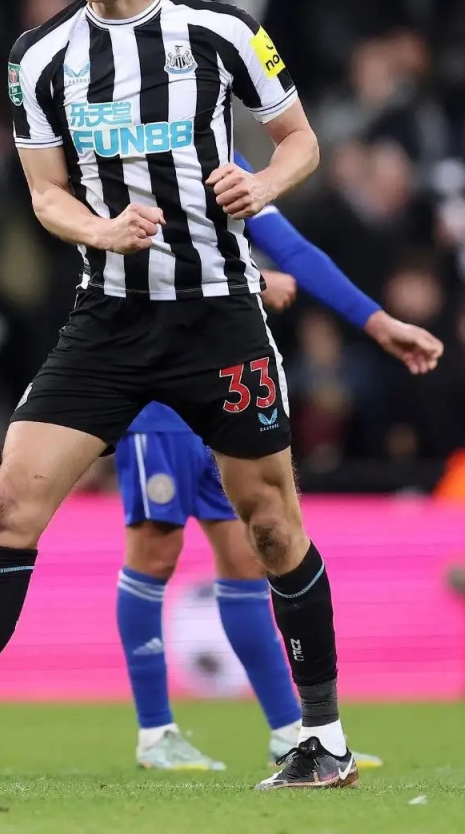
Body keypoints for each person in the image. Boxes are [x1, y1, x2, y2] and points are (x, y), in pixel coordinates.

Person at [0, 0, 443, 791]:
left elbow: (302, 142)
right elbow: (45, 194)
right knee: (9, 504)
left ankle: (320, 737)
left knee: (272, 526)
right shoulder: (37, 56)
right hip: (109, 319)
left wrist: (264, 185)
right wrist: (102, 229)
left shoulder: (223, 33)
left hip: (217, 317)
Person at [117, 154, 441, 771]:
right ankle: (156, 733)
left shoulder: (224, 164)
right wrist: (253, 280)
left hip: (221, 387)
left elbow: (295, 251)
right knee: (156, 550)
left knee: (245, 556)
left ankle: (290, 729)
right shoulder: (131, 154)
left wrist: (377, 322)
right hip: (151, 380)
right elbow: (133, 263)